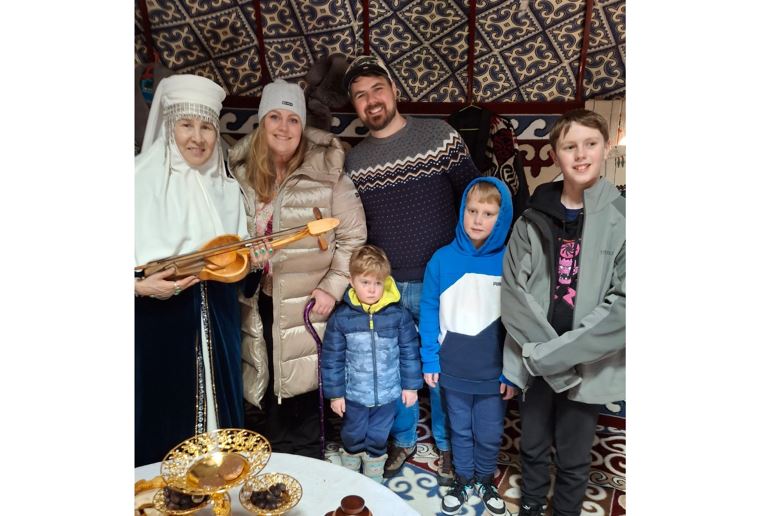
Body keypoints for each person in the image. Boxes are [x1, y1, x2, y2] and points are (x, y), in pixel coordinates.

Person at [342, 54, 480, 484]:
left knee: (444, 368)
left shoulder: (439, 136)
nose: (371, 100)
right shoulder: (354, 161)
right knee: (392, 368)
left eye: (377, 89)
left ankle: (447, 444)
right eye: (360, 95)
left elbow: (473, 196)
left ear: (394, 90)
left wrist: (468, 264)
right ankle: (402, 440)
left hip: (442, 280)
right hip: (386, 285)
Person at [228, 79, 367, 458]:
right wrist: (247, 260)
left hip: (310, 301)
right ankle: (277, 460)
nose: (284, 127)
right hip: (260, 298)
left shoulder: (328, 173)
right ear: (262, 121)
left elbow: (353, 239)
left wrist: (332, 288)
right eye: (275, 116)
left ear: (303, 126)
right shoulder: (240, 175)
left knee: (305, 383)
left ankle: (306, 462)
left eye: (293, 119)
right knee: (270, 377)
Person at [500, 109, 626, 516]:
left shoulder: (624, 219)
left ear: (606, 148)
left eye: (591, 144)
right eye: (570, 146)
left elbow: (624, 307)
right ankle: (532, 504)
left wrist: (557, 356)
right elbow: (513, 293)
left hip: (586, 364)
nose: (581, 154)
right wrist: (542, 357)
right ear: (555, 154)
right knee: (533, 443)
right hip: (534, 357)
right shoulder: (531, 218)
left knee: (574, 453)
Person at [134, 74, 254, 466]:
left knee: (223, 428)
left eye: (207, 127)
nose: (198, 138)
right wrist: (139, 288)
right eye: (187, 124)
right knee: (164, 422)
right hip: (158, 324)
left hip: (219, 319)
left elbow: (238, 260)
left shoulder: (227, 188)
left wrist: (249, 262)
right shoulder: (135, 182)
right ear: (169, 127)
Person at [419, 177, 514, 515]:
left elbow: (519, 321)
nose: (477, 219)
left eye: (488, 213)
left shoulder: (511, 260)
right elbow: (428, 309)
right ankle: (462, 479)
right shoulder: (441, 260)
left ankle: (485, 480)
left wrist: (514, 372)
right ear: (462, 210)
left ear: (502, 218)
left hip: (494, 372)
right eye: (472, 210)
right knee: (458, 429)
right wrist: (430, 360)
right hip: (452, 369)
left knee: (489, 432)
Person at [321, 245, 422, 482]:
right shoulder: (341, 318)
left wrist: (411, 387)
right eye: (365, 282)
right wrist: (336, 394)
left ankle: (374, 470)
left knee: (379, 433)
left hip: (388, 394)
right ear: (352, 281)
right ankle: (352, 467)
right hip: (354, 394)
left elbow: (409, 353)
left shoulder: (398, 315)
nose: (371, 289)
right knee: (352, 431)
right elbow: (332, 358)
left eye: (378, 283)